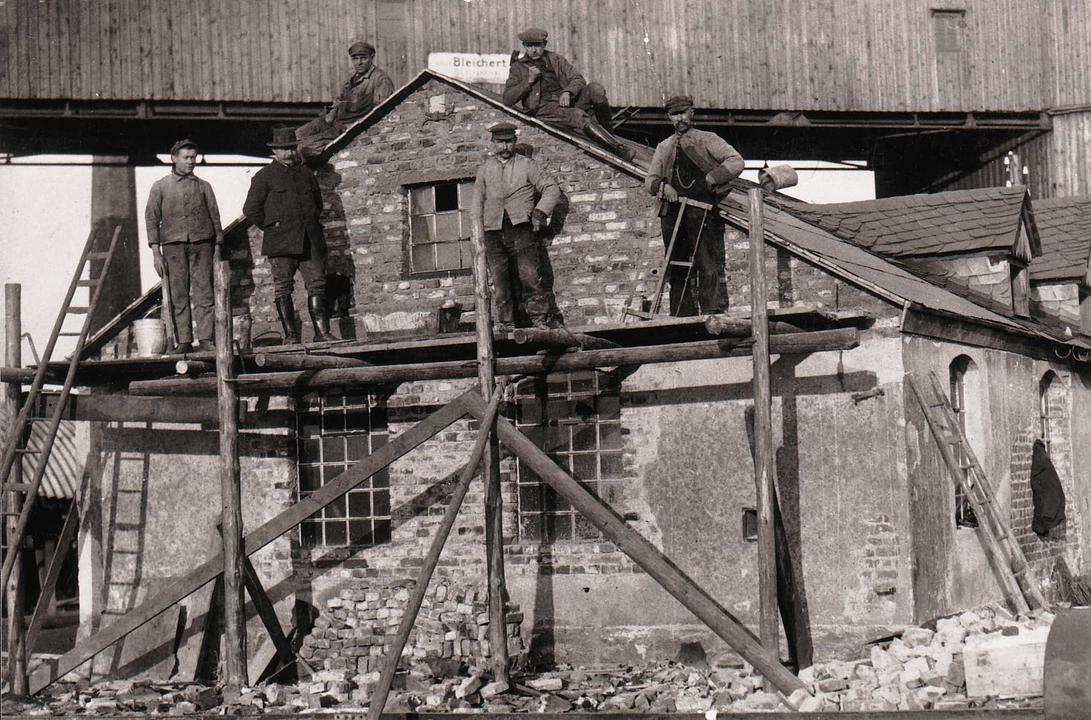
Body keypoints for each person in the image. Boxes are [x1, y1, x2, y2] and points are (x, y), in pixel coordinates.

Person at [644, 95, 744, 316]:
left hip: (701, 209)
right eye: (674, 114)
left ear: (692, 113)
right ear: (669, 117)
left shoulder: (707, 139)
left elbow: (736, 161)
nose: (679, 118)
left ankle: (712, 312)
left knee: (706, 262)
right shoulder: (664, 147)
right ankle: (681, 315)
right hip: (672, 212)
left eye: (683, 113)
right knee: (675, 264)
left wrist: (712, 177)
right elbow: (649, 181)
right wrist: (663, 187)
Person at [243, 125, 335, 344]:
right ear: (274, 151)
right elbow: (251, 209)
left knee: (317, 284)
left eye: (292, 148)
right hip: (281, 243)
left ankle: (322, 333)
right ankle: (291, 336)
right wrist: (273, 226)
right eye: (284, 149)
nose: (289, 153)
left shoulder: (306, 174)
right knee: (283, 287)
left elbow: (317, 205)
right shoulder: (264, 176)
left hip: (310, 241)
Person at [471, 122, 563, 332]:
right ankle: (507, 323)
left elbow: (551, 188)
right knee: (500, 280)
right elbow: (477, 202)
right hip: (492, 231)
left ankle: (539, 319)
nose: (504, 147)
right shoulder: (485, 170)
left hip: (521, 228)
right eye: (500, 142)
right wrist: (476, 233)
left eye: (509, 142)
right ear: (493, 143)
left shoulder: (527, 165)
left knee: (529, 275)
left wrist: (540, 212)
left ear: (515, 141)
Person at [502, 28, 632, 160]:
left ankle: (610, 137)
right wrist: (528, 81)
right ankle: (620, 150)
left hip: (567, 103)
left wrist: (568, 91)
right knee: (578, 115)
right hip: (545, 109)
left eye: (537, 45)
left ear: (544, 44)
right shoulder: (518, 68)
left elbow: (578, 79)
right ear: (524, 46)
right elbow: (507, 99)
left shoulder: (556, 59)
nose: (534, 50)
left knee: (596, 89)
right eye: (530, 46)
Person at [145, 138, 224, 354]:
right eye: (186, 157)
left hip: (202, 245)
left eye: (193, 157)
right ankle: (184, 341)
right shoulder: (160, 187)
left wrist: (217, 247)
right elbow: (151, 220)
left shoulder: (204, 186)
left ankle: (206, 339)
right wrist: (156, 254)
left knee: (204, 293)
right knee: (178, 294)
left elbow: (215, 217)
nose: (191, 162)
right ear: (174, 158)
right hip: (173, 247)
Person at [296, 40, 394, 161]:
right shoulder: (351, 78)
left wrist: (352, 127)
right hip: (336, 123)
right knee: (298, 134)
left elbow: (380, 113)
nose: (359, 63)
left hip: (352, 129)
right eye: (355, 59)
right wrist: (330, 114)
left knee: (303, 147)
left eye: (363, 58)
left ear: (372, 57)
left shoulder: (381, 79)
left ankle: (312, 169)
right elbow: (339, 100)